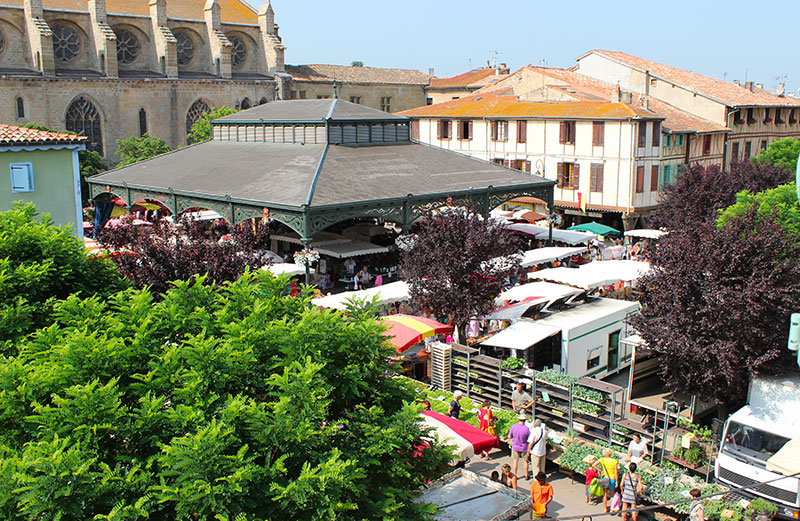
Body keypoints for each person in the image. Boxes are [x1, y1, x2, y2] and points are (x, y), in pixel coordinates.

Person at [592, 448, 619, 513]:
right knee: (612, 495)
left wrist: (600, 471)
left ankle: (605, 508)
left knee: (605, 494)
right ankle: (612, 508)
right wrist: (617, 482)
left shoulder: (602, 460)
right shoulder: (614, 461)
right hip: (612, 478)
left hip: (605, 478)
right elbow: (616, 472)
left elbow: (594, 465)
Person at [507, 414, 531, 480]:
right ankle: (526, 475)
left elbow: (509, 437)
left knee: (515, 461)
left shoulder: (513, 427)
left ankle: (515, 475)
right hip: (524, 447)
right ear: (525, 421)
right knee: (525, 461)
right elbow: (529, 439)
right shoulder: (526, 429)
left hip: (515, 446)